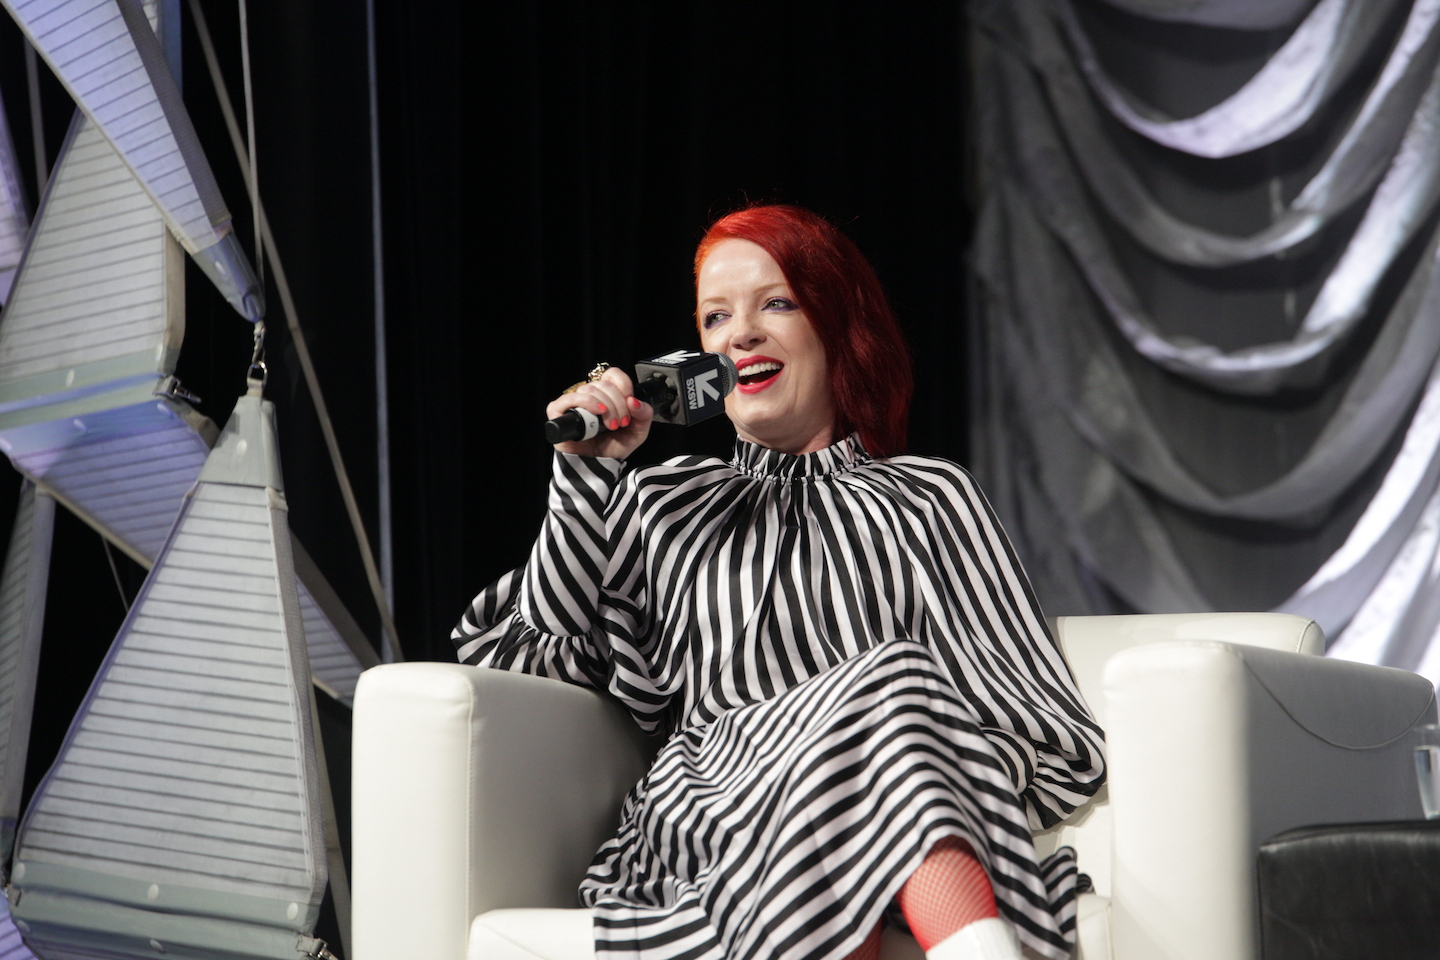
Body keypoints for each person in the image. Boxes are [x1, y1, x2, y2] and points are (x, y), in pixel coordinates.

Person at [453, 205, 1105, 960]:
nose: (741, 334)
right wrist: (586, 477)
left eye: (777, 303)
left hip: (897, 802)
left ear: (834, 324)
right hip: (714, 816)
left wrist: (890, 771)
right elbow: (526, 662)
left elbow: (1044, 731)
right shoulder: (665, 499)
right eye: (716, 316)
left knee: (890, 685)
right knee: (889, 680)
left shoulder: (932, 497)